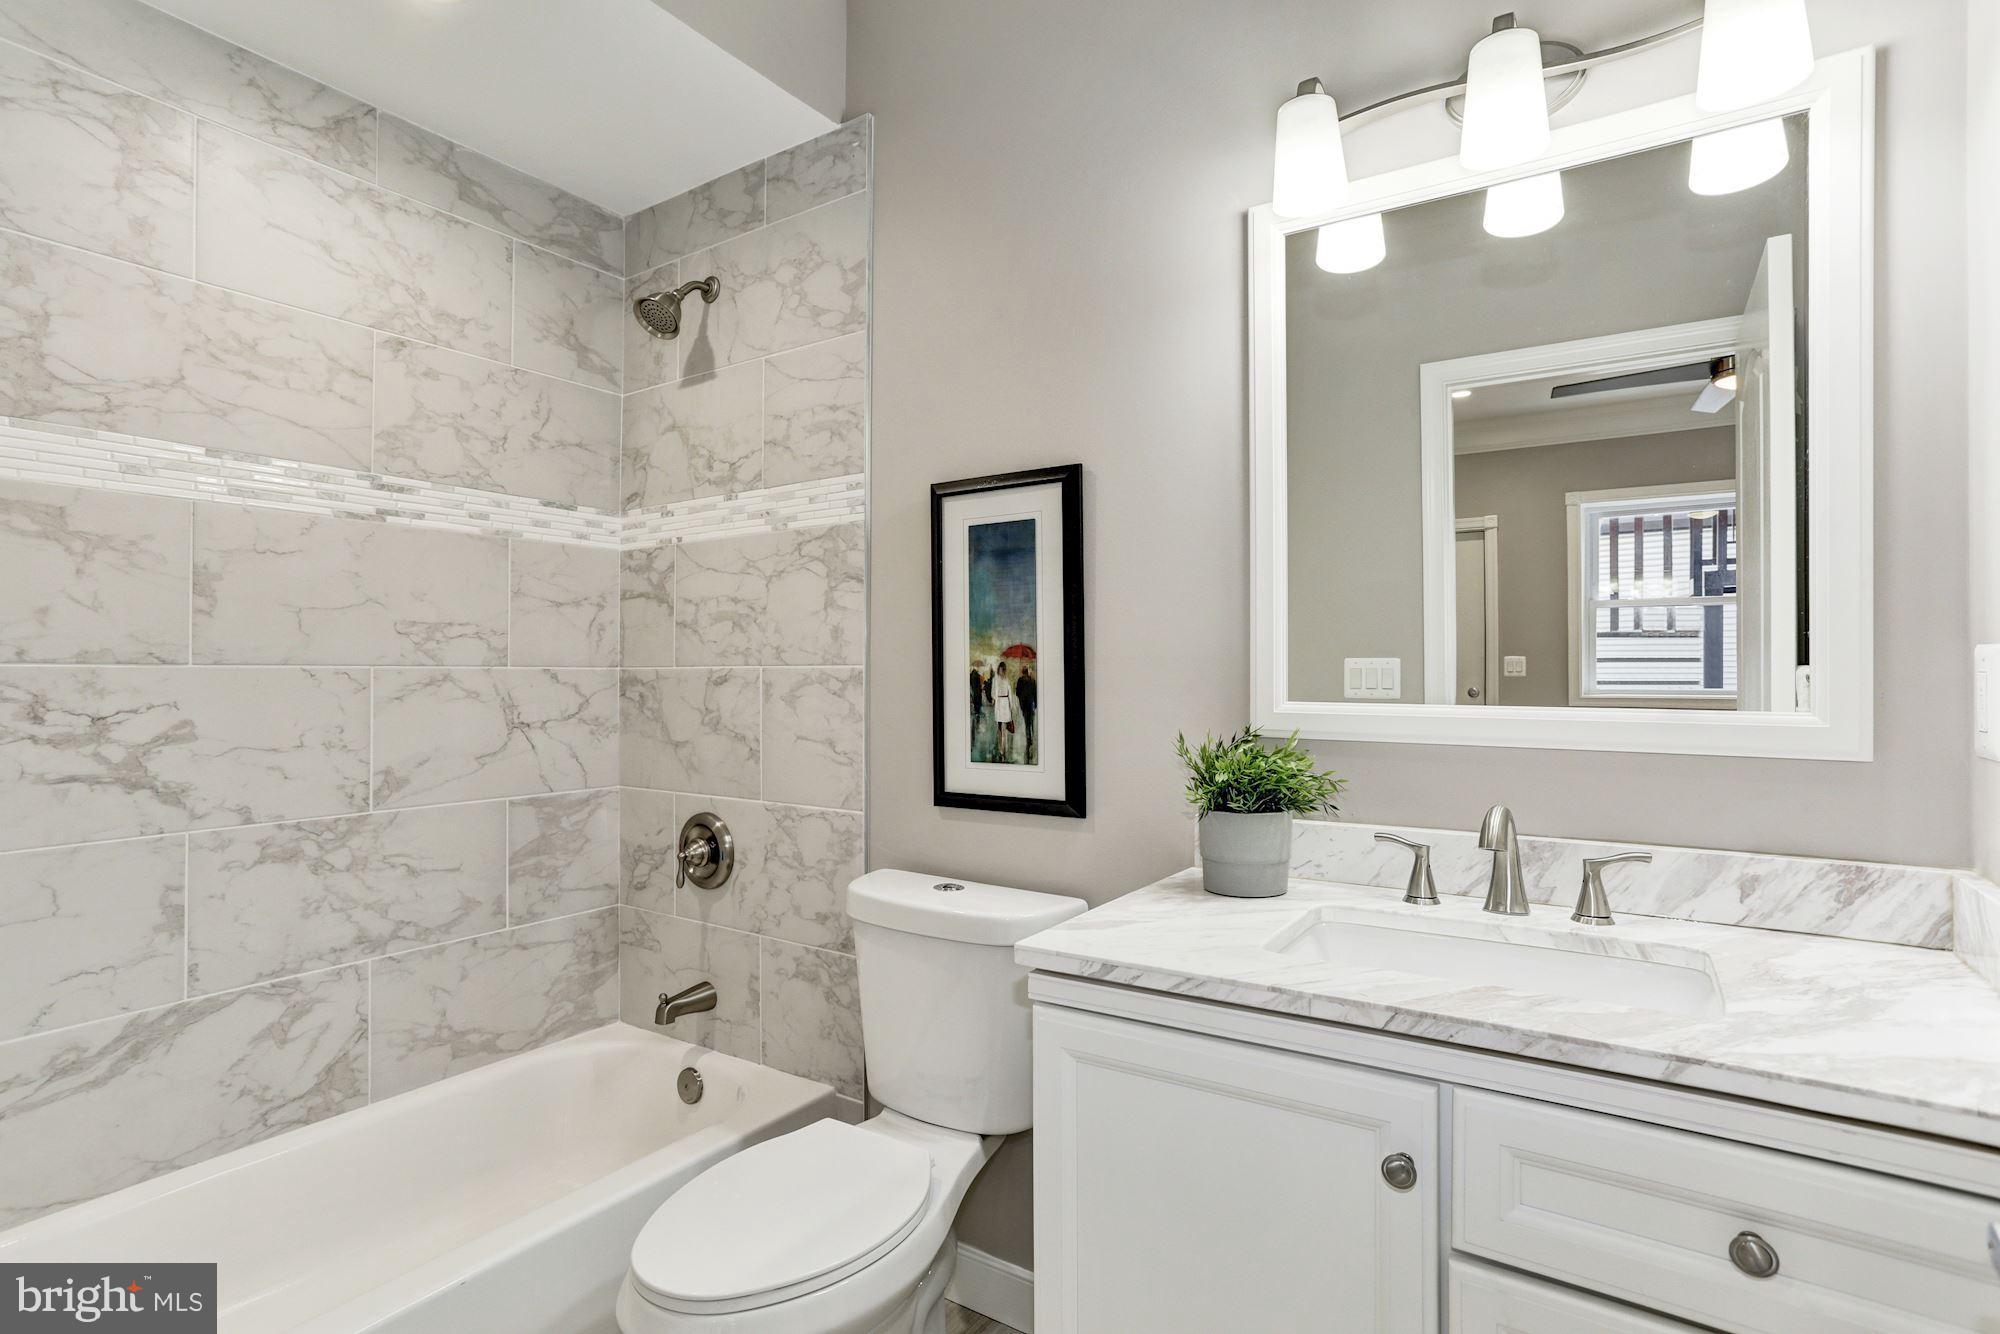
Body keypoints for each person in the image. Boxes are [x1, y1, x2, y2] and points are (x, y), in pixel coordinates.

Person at [992, 661, 1015, 762]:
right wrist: (994, 699)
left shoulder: (1007, 680)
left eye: (1003, 670)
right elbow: (993, 693)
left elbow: (1010, 694)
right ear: (999, 670)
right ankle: (1000, 746)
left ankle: (1002, 748)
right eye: (1000, 670)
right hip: (999, 704)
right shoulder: (995, 680)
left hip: (1005, 704)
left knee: (1004, 728)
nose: (1002, 671)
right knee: (999, 727)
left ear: (1004, 670)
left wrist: (1011, 705)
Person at [1016, 662, 1038, 765]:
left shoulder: (1020, 680)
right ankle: (1031, 734)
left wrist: (1021, 698)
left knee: (1026, 721)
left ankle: (1028, 735)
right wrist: (1036, 704)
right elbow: (1035, 693)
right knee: (1031, 719)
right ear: (1027, 672)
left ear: (1022, 672)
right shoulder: (1032, 680)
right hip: (1031, 704)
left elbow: (1017, 692)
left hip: (1024, 704)